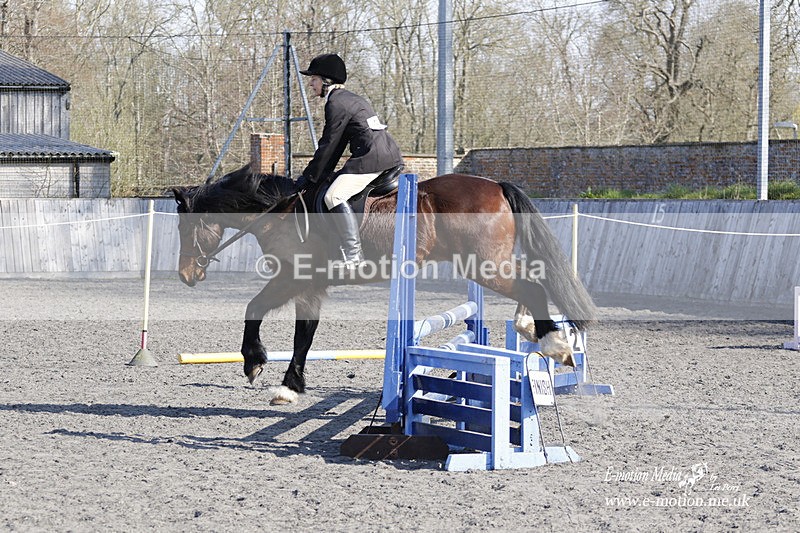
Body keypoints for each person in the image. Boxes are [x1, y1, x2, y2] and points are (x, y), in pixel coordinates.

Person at [298, 53, 403, 270]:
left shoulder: (336, 103)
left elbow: (328, 145)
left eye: (314, 79)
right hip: (385, 154)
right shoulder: (351, 99)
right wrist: (321, 173)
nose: (311, 83)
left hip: (372, 159)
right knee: (334, 184)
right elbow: (337, 144)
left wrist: (309, 177)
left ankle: (354, 254)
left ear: (326, 81)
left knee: (333, 195)